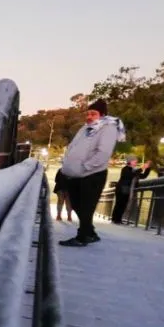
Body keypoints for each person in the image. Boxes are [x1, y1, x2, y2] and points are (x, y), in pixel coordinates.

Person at [58, 98, 126, 247]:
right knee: (76, 205)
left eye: (93, 114)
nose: (89, 117)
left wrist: (85, 166)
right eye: (88, 113)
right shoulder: (85, 128)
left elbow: (103, 152)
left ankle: (82, 237)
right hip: (75, 175)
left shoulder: (108, 128)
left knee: (86, 207)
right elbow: (73, 147)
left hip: (92, 175)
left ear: (102, 115)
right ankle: (91, 233)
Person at [111, 156, 152, 224]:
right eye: (134, 161)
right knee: (119, 204)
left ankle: (118, 219)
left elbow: (143, 176)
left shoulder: (134, 170)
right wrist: (142, 168)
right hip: (121, 189)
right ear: (130, 162)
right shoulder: (125, 169)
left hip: (127, 189)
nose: (136, 162)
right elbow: (131, 175)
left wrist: (148, 168)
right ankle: (115, 219)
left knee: (123, 205)